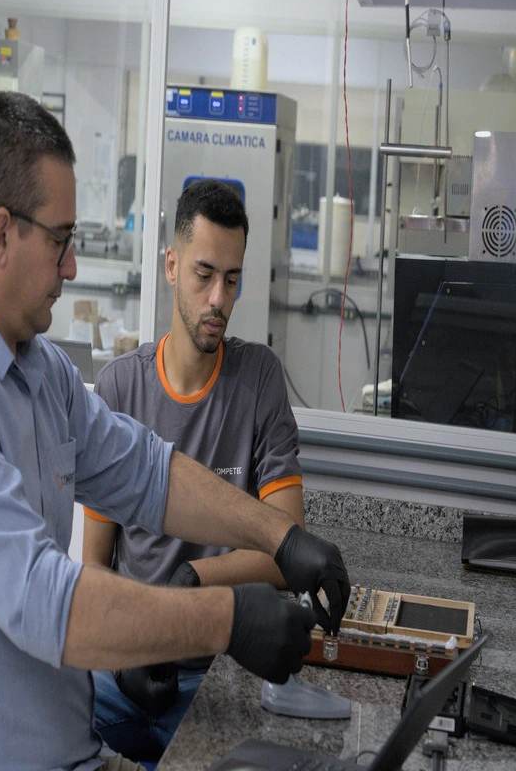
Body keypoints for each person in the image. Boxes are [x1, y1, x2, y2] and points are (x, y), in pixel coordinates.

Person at [0, 91, 351, 771]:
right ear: (2, 234)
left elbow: (147, 472)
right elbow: (45, 602)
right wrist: (227, 619)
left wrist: (283, 538)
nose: (71, 267)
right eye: (61, 241)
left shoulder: (38, 368)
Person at [82, 178, 305, 762]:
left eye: (232, 280)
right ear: (171, 266)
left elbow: (286, 545)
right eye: (204, 275)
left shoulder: (258, 380)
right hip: (124, 667)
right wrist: (125, 649)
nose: (218, 299)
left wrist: (193, 581)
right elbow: (93, 564)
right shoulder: (119, 388)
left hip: (213, 670)